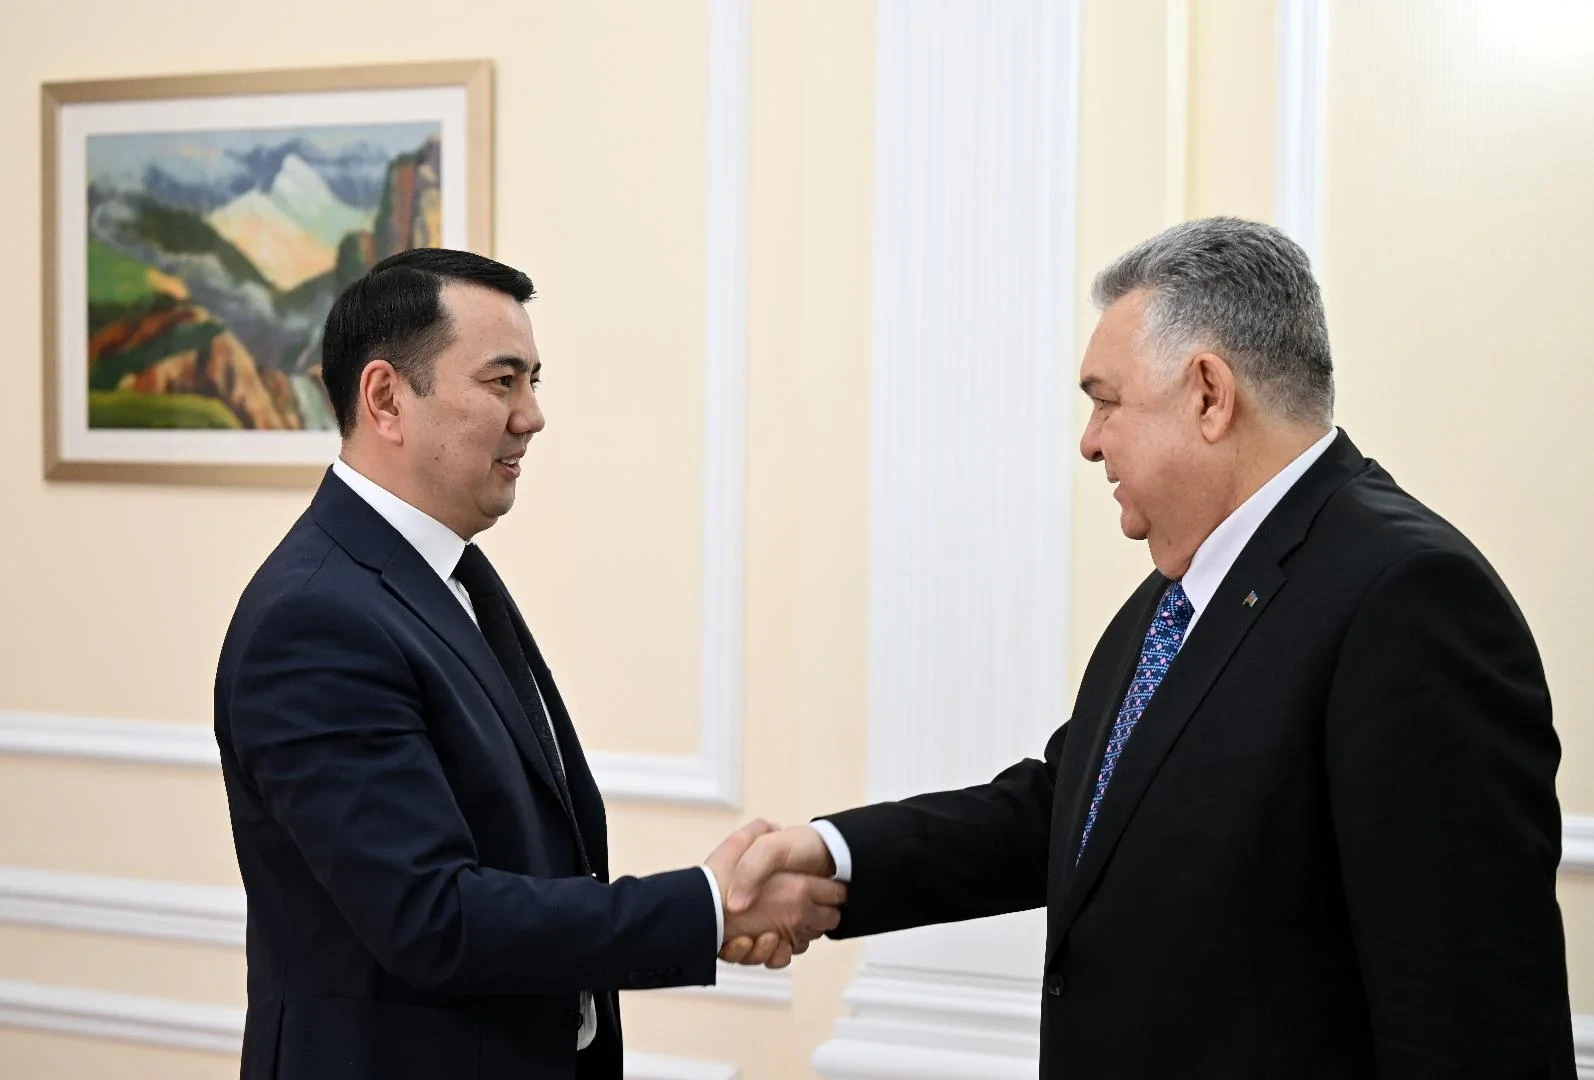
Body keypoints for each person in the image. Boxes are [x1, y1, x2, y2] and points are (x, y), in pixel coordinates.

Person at [723, 218, 1575, 1078]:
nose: (1089, 440)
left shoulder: (1410, 598)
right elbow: (1069, 811)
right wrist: (834, 858)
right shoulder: (1184, 587)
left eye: (1106, 400)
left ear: (1208, 394)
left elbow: (1472, 1019)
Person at [213, 248, 843, 1080]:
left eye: (533, 381)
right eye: (502, 381)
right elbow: (433, 916)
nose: (533, 415)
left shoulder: (449, 570)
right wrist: (705, 907)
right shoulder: (314, 619)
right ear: (386, 398)